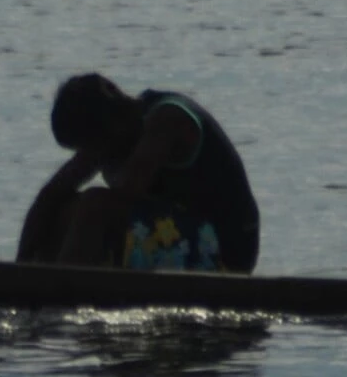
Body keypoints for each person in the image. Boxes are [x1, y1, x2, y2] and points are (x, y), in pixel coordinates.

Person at [16, 74, 260, 273]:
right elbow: (51, 194)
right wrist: (21, 264)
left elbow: (126, 193)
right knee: (64, 208)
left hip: (226, 254)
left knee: (94, 205)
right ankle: (39, 287)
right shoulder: (110, 137)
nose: (88, 155)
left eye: (90, 146)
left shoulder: (167, 120)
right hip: (177, 235)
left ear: (109, 127)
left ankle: (63, 295)